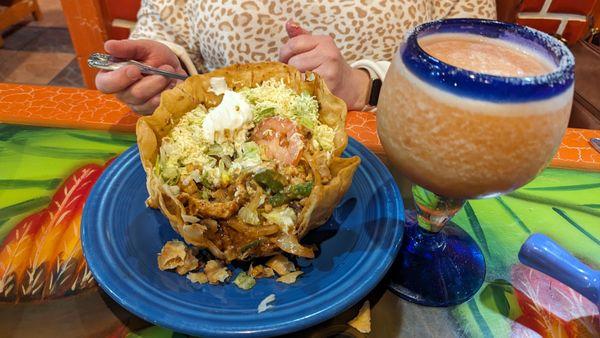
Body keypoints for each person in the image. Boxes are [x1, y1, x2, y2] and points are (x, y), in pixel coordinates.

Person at [96, 1, 496, 115]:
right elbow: (166, 24)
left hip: (392, 177)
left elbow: (478, 71)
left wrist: (365, 85)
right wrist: (166, 67)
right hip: (218, 153)